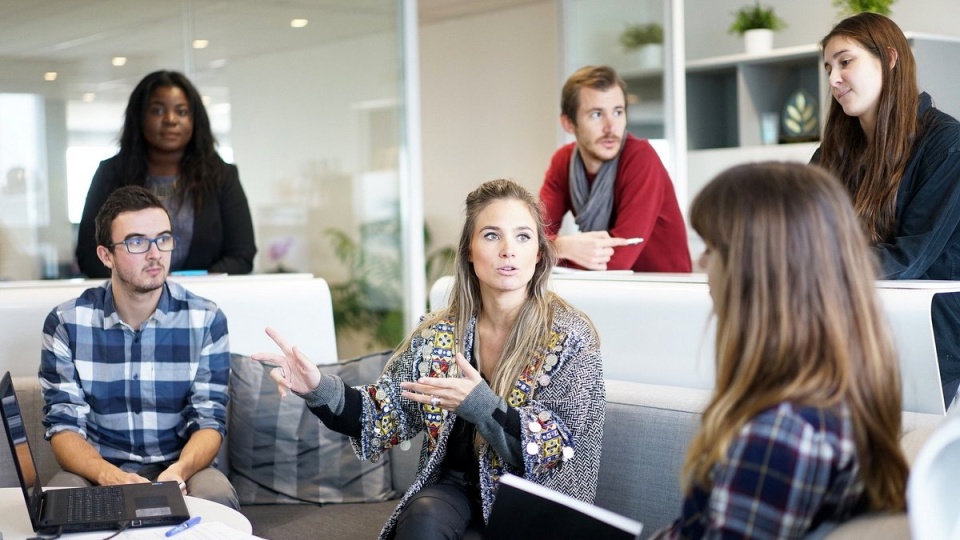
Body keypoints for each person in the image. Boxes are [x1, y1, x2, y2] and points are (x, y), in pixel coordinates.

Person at [253, 179, 605, 539]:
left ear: (539, 254)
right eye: (491, 235)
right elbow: (383, 413)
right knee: (422, 518)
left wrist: (481, 405)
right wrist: (316, 387)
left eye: (523, 237)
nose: (508, 250)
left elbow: (555, 446)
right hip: (456, 492)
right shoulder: (439, 333)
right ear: (469, 250)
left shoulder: (571, 337)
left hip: (534, 502)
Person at [652, 162, 908, 538]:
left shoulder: (781, 435)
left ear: (756, 269)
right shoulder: (836, 395)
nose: (702, 264)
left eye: (712, 248)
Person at [40, 186, 238, 509]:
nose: (155, 254)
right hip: (98, 470)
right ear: (106, 255)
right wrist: (110, 476)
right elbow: (63, 428)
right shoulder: (66, 323)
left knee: (216, 495)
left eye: (163, 239)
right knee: (58, 498)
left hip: (181, 467)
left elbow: (209, 421)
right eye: (136, 242)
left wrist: (178, 471)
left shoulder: (206, 320)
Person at [812, 12, 960, 407]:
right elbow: (800, 232)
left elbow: (910, 258)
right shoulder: (832, 152)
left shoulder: (947, 143)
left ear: (890, 59)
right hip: (852, 320)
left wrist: (814, 265)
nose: (833, 79)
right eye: (829, 67)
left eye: (845, 62)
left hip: (931, 332)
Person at [76, 70, 256, 278]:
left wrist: (186, 287)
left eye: (181, 112)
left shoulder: (222, 177)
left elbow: (241, 255)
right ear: (139, 117)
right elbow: (89, 256)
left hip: (204, 301)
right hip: (130, 304)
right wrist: (144, 284)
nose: (170, 120)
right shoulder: (111, 174)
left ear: (195, 120)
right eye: (158, 111)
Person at [539, 65, 691, 272]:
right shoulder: (563, 161)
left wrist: (550, 250)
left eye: (618, 112)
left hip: (663, 293)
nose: (611, 127)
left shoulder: (640, 158)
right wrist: (562, 246)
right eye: (596, 114)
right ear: (568, 124)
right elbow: (531, 238)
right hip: (608, 291)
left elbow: (617, 262)